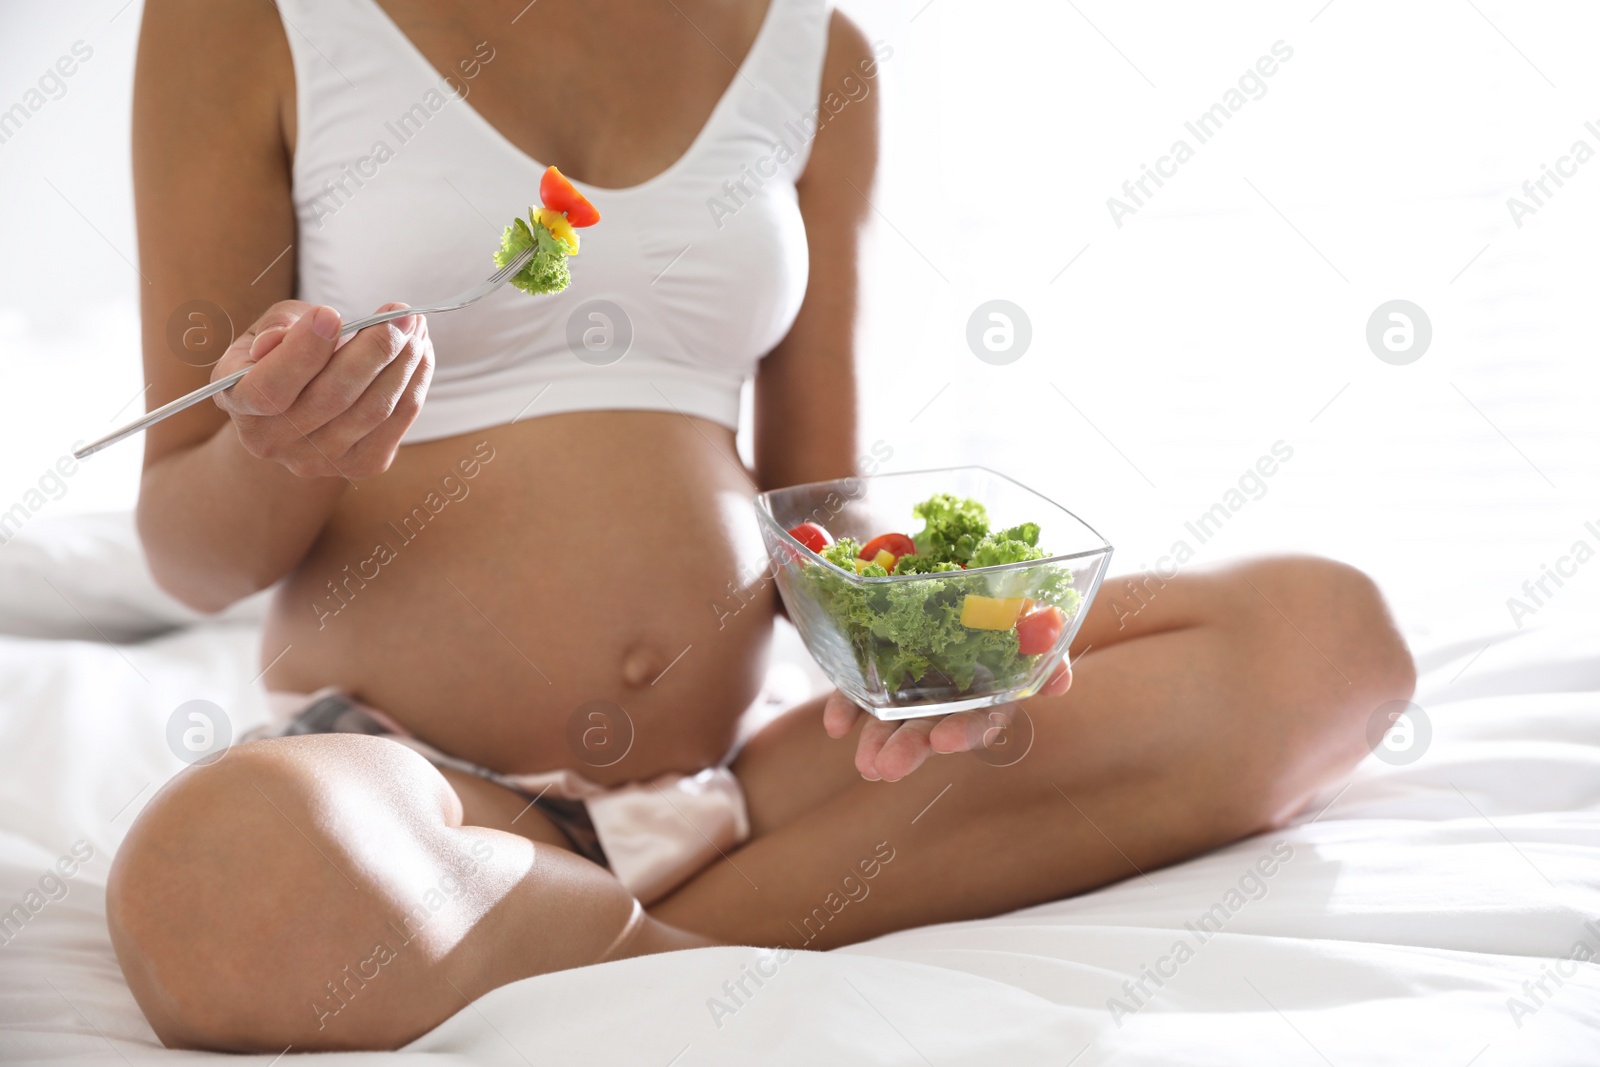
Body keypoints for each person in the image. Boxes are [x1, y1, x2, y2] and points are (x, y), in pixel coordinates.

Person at [105, 0, 1416, 1052]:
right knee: (219, 887)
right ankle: (687, 958)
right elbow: (186, 546)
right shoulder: (244, 17)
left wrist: (927, 650)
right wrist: (283, 451)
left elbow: (819, 500)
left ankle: (580, 938)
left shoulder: (815, 49)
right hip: (411, 803)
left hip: (730, 794)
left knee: (1324, 644)